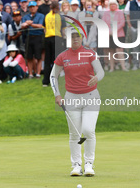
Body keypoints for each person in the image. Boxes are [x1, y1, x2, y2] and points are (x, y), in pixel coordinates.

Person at [50, 27, 105, 176]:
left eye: (77, 36)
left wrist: (96, 77)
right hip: (71, 97)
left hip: (91, 96)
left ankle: (89, 164)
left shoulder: (90, 53)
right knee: (74, 133)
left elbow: (100, 71)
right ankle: (76, 165)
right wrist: (57, 94)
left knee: (88, 130)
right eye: (72, 36)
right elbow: (53, 76)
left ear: (81, 38)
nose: (75, 39)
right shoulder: (63, 56)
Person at [42, 1, 66, 87]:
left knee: (47, 61)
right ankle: (55, 80)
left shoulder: (46, 16)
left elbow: (44, 29)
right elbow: (63, 30)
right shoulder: (60, 16)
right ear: (57, 8)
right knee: (57, 61)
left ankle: (45, 81)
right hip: (57, 38)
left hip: (47, 38)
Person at [102, 0, 128, 71]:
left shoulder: (120, 12)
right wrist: (109, 31)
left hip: (119, 34)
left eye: (114, 4)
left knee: (120, 51)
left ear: (116, 5)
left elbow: (122, 23)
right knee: (111, 51)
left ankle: (123, 67)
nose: (112, 6)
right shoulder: (106, 13)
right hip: (109, 34)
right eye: (111, 4)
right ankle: (111, 68)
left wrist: (114, 30)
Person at [21, 1, 45, 78]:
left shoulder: (41, 15)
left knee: (38, 57)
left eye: (33, 6)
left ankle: (38, 73)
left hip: (38, 37)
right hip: (29, 37)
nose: (32, 8)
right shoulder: (26, 16)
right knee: (29, 57)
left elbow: (40, 26)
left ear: (36, 7)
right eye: (30, 7)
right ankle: (31, 74)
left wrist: (30, 24)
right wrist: (25, 24)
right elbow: (22, 26)